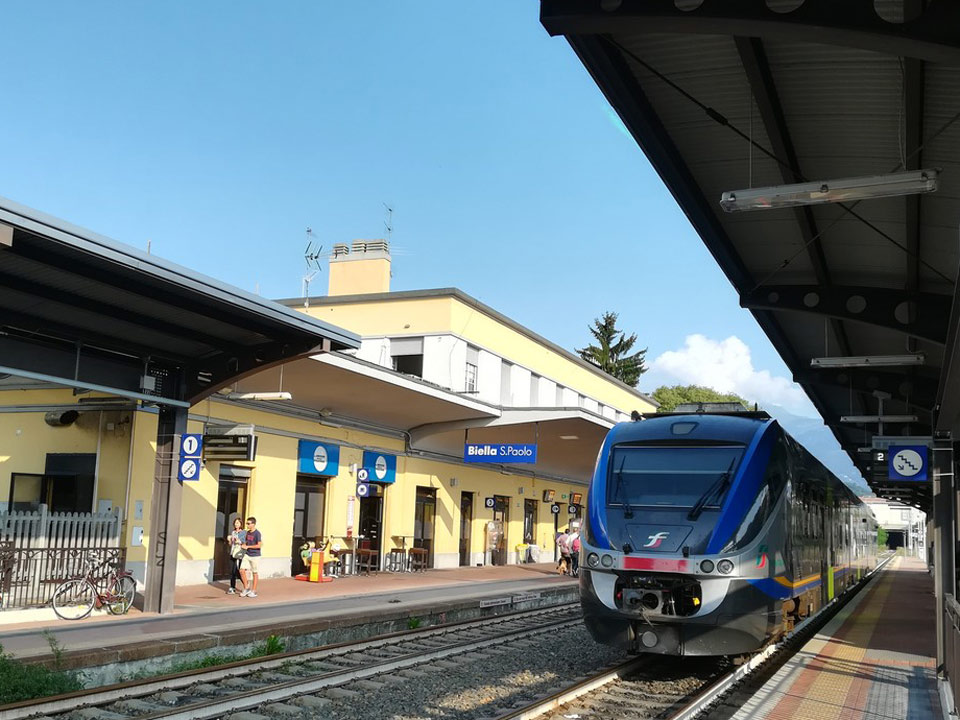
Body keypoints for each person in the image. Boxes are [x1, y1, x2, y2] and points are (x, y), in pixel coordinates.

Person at [239, 516, 262, 598]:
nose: (247, 525)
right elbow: (245, 542)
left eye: (248, 524)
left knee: (254, 573)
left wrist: (248, 547)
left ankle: (254, 591)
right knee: (241, 570)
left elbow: (259, 545)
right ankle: (246, 588)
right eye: (246, 523)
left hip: (255, 556)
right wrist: (243, 545)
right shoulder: (247, 533)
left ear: (253, 524)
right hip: (247, 554)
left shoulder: (257, 533)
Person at [226, 516, 245, 595]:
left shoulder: (243, 532)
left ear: (241, 524)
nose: (236, 524)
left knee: (239, 571)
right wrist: (229, 540)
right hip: (233, 553)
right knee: (232, 571)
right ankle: (232, 587)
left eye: (238, 523)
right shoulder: (233, 532)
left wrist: (239, 541)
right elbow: (231, 544)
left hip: (239, 554)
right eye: (235, 523)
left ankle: (246, 586)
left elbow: (244, 543)